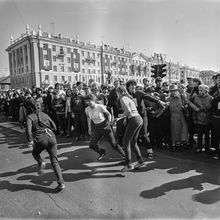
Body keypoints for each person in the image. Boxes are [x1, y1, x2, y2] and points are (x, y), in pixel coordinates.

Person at [26, 102, 65, 191]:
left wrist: (30, 141)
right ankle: (61, 182)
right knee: (55, 162)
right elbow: (55, 126)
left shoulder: (30, 117)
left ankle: (41, 163)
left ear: (31, 108)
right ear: (41, 107)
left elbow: (28, 131)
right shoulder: (45, 114)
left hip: (39, 139)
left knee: (35, 153)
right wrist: (49, 129)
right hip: (51, 138)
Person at [84, 93, 125, 161]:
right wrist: (89, 128)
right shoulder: (87, 109)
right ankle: (102, 152)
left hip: (105, 126)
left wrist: (109, 123)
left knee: (113, 144)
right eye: (86, 101)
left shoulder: (99, 106)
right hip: (97, 128)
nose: (88, 103)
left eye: (89, 101)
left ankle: (124, 156)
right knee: (92, 144)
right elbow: (88, 118)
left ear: (93, 100)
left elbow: (108, 114)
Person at [116, 86, 145, 172]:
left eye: (117, 93)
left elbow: (128, 111)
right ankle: (140, 161)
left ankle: (129, 164)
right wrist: (124, 117)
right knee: (133, 142)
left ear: (120, 93)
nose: (117, 95)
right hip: (139, 119)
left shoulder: (122, 99)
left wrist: (121, 115)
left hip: (133, 119)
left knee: (126, 142)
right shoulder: (129, 98)